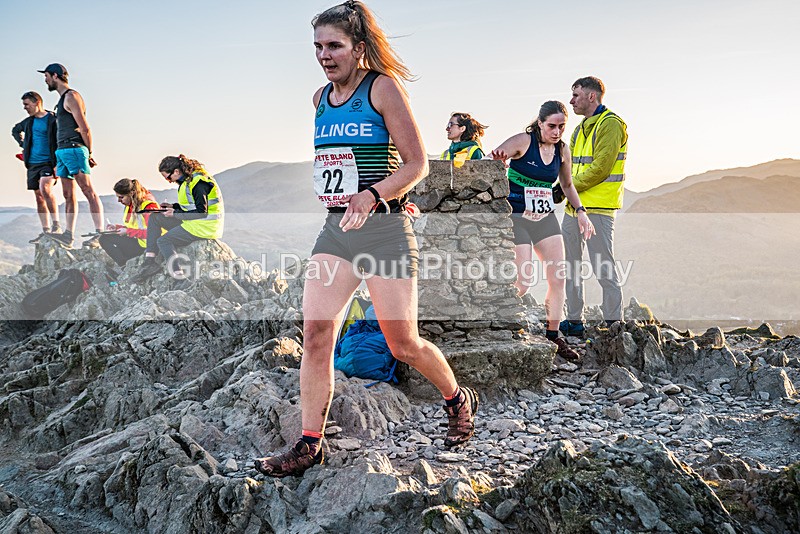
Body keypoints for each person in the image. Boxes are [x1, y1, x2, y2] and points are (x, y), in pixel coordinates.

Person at [253, 0, 479, 478]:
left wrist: (372, 195)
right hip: (336, 230)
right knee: (316, 335)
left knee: (403, 344)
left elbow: (418, 165)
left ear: (358, 48)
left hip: (385, 231)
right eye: (317, 46)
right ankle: (309, 443)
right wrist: (341, 197)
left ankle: (458, 399)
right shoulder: (318, 99)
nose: (324, 55)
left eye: (334, 45)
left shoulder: (383, 88)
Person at [491, 101, 594, 361]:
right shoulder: (523, 142)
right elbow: (489, 163)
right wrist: (499, 164)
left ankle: (553, 335)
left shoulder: (562, 151)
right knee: (523, 281)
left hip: (545, 218)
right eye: (552, 126)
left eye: (561, 126)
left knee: (558, 278)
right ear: (540, 123)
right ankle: (498, 322)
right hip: (516, 217)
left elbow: (568, 185)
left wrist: (581, 212)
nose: (557, 131)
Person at [560, 76, 628, 337]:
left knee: (603, 266)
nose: (571, 100)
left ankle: (613, 323)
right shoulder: (579, 129)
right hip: (573, 210)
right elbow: (567, 167)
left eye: (575, 95)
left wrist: (566, 188)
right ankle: (574, 320)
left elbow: (601, 169)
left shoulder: (611, 124)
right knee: (571, 266)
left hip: (598, 210)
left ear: (591, 96)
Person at [38, 63, 104, 249]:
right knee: (68, 195)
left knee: (88, 190)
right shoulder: (60, 101)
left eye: (47, 76)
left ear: (55, 76)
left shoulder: (71, 96)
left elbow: (85, 127)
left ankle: (100, 234)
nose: (46, 80)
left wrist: (89, 151)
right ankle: (68, 235)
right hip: (62, 151)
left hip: (75, 148)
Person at [130, 155, 224, 283]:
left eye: (168, 178)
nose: (169, 181)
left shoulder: (199, 182)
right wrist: (172, 207)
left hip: (204, 227)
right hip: (194, 222)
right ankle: (149, 261)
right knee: (155, 217)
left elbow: (201, 212)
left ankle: (179, 277)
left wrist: (174, 214)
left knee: (163, 241)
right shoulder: (188, 180)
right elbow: (192, 205)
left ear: (176, 171)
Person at [11, 91, 61, 243]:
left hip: (49, 162)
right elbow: (15, 130)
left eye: (27, 104)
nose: (25, 108)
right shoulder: (28, 122)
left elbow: (61, 138)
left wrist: (58, 163)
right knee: (39, 197)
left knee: (45, 188)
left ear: (37, 102)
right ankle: (45, 230)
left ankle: (56, 225)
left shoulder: (53, 119)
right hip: (32, 164)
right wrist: (23, 144)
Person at [99, 179, 159, 267]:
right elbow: (134, 226)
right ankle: (125, 266)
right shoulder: (130, 206)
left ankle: (126, 267)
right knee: (104, 238)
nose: (119, 201)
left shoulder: (148, 207)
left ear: (131, 194)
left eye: (121, 197)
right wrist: (117, 227)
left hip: (151, 248)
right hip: (140, 242)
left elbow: (153, 233)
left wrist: (127, 232)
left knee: (106, 240)